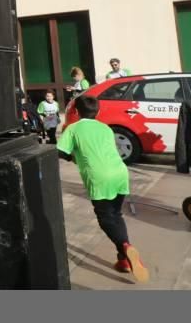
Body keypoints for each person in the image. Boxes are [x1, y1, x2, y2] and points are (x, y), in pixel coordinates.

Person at [57, 96, 149, 283]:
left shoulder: (73, 128)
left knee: (105, 218)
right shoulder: (105, 127)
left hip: (99, 177)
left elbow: (59, 151)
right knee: (116, 214)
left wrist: (73, 157)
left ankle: (125, 246)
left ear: (75, 111)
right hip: (120, 173)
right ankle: (123, 260)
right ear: (98, 112)